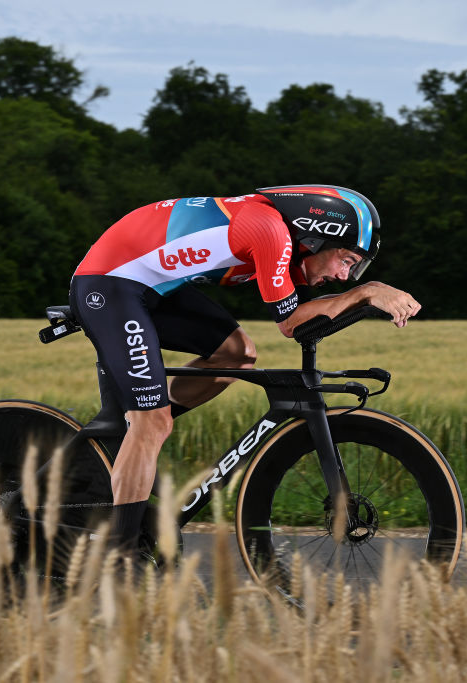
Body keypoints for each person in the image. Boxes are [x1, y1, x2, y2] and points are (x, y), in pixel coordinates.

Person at [67, 185, 421, 556]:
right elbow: (291, 324)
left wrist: (363, 294)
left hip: (154, 287)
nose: (346, 276)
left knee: (237, 354)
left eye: (356, 268)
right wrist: (367, 292)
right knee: (151, 422)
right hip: (110, 283)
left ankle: (136, 431)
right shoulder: (268, 230)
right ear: (318, 239)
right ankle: (118, 553)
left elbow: (313, 313)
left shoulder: (286, 244)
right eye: (347, 261)